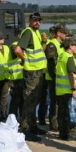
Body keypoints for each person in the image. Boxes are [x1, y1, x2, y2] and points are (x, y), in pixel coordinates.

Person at [13, 12, 47, 140]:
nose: (37, 22)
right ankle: (25, 129)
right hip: (32, 72)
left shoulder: (36, 33)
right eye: (35, 20)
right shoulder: (28, 32)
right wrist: (24, 60)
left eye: (39, 20)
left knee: (34, 100)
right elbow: (18, 50)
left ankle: (33, 126)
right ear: (30, 21)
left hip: (37, 71)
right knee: (29, 101)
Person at [54, 38, 76, 141]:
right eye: (75, 45)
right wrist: (73, 89)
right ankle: (71, 135)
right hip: (70, 90)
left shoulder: (62, 56)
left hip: (61, 90)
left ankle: (62, 134)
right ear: (70, 46)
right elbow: (71, 74)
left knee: (62, 113)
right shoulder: (69, 57)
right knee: (72, 113)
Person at [42, 24, 68, 130]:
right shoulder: (52, 45)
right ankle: (54, 123)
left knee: (58, 101)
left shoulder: (60, 44)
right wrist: (54, 77)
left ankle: (59, 121)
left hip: (60, 78)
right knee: (54, 101)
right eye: (64, 33)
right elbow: (51, 63)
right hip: (53, 78)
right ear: (58, 33)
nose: (66, 35)